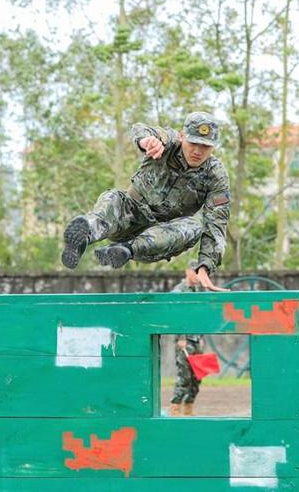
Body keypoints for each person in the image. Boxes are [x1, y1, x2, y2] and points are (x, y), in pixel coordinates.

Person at [61, 111, 230, 291]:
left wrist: (205, 266)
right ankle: (85, 233)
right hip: (128, 216)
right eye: (193, 143)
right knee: (114, 197)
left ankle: (123, 251)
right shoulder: (169, 141)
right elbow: (142, 129)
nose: (197, 151)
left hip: (157, 238)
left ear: (213, 147)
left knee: (195, 226)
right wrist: (145, 141)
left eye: (205, 146)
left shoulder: (216, 176)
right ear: (181, 136)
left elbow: (216, 223)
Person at [169, 266, 207, 416]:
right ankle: (175, 407)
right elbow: (176, 316)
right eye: (196, 272)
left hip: (196, 339)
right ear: (188, 272)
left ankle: (188, 408)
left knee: (198, 376)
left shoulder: (197, 292)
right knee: (184, 376)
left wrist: (200, 338)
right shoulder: (179, 291)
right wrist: (181, 337)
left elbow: (199, 317)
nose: (198, 276)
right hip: (184, 340)